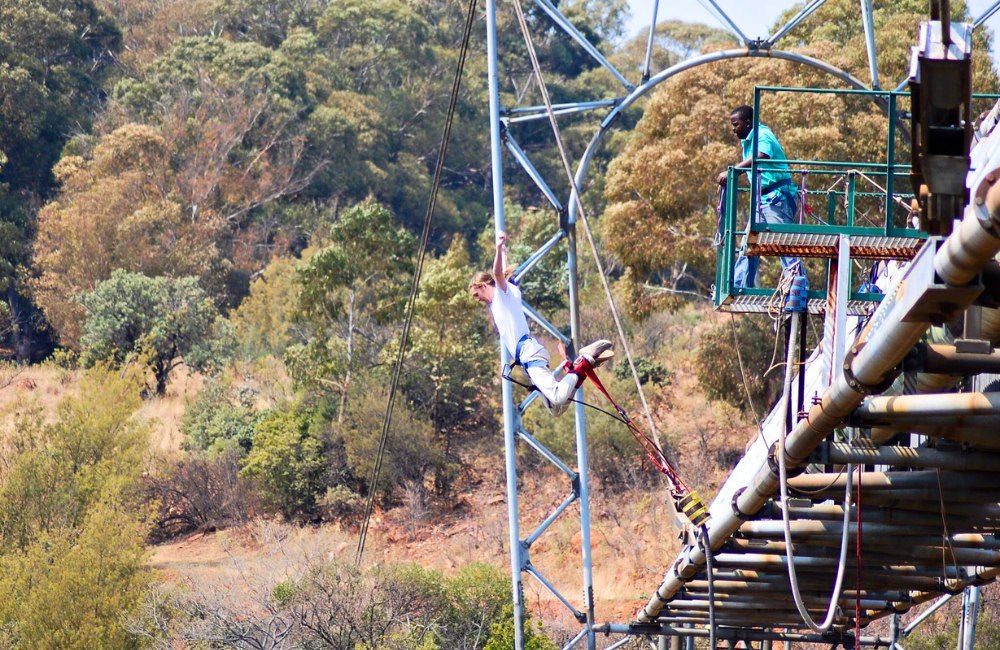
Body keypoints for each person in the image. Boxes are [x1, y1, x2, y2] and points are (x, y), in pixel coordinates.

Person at [469, 232, 613, 416]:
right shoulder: (505, 294)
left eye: (476, 295)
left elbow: (498, 273)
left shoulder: (501, 294)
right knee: (555, 409)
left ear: (483, 285)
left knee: (558, 397)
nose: (477, 300)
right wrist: (504, 253)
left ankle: (584, 361)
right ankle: (581, 370)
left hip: (530, 353)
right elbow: (503, 272)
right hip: (529, 358)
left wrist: (498, 249)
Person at [717, 105, 803, 289]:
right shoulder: (748, 140)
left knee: (785, 245)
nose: (733, 129)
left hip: (776, 199)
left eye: (736, 125)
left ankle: (797, 287)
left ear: (748, 123)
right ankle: (740, 286)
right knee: (748, 243)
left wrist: (735, 171)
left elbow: (762, 154)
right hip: (761, 200)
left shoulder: (762, 135)